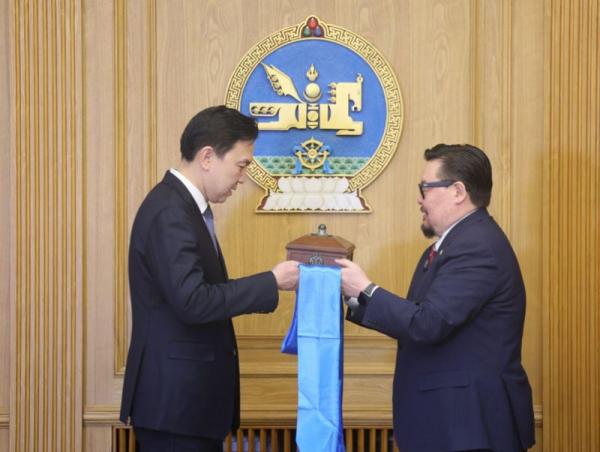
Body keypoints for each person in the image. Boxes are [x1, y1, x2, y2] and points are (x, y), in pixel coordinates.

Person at [120, 105, 299, 451]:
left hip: (186, 406)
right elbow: (193, 301)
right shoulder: (170, 211)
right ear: (207, 157)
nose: (243, 178)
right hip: (175, 408)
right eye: (241, 165)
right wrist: (272, 281)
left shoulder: (182, 207)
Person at [336, 144, 535, 452]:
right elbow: (419, 317)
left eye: (425, 188)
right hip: (452, 423)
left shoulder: (476, 246)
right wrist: (352, 295)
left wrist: (365, 288)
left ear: (458, 191)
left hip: (469, 427)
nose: (420, 199)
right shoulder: (452, 244)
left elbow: (428, 323)